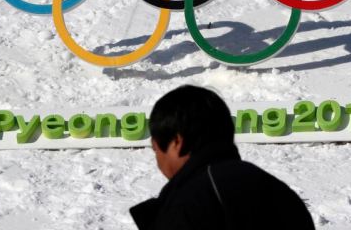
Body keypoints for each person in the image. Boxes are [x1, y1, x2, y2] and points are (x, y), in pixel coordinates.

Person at [130, 85, 315, 230]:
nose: (158, 162)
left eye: (155, 149)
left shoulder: (188, 204)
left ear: (176, 141)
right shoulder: (281, 194)